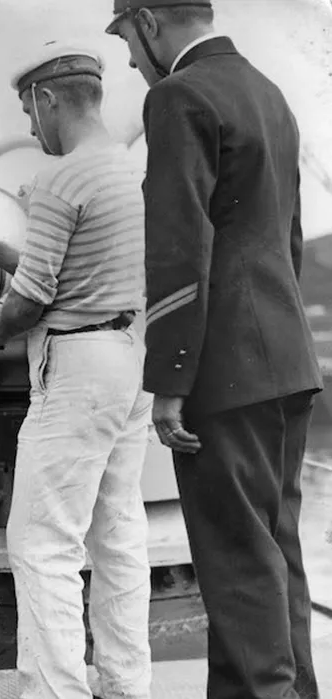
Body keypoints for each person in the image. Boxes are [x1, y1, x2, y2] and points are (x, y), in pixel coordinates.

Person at [106, 2, 324, 697]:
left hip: (223, 367)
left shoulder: (178, 96)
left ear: (145, 21)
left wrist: (170, 376)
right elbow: (285, 240)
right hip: (283, 358)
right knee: (273, 550)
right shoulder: (265, 91)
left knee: (234, 561)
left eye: (124, 41)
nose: (129, 61)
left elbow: (177, 246)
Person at [0, 41, 152, 699]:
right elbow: (71, 269)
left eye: (28, 110)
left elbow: (32, 301)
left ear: (45, 98)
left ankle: (55, 689)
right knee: (117, 530)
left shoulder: (58, 180)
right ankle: (125, 682)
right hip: (129, 360)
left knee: (41, 540)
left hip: (76, 370)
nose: (31, 127)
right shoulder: (124, 171)